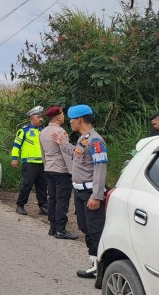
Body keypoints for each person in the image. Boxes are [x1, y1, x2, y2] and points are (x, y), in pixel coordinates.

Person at [52, 104, 108, 279]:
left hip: (91, 193)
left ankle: (103, 269)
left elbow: (100, 168)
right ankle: (94, 264)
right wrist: (64, 144)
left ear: (79, 120)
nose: (70, 124)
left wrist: (97, 195)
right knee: (85, 228)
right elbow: (77, 155)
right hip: (80, 193)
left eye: (71, 121)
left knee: (95, 230)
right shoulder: (84, 139)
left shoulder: (96, 141)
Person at [39, 106, 77, 240]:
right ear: (58, 117)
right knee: (62, 200)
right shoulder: (60, 132)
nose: (64, 116)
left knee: (52, 198)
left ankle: (53, 227)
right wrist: (72, 171)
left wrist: (46, 165)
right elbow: (66, 153)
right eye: (62, 114)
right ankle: (61, 230)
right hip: (61, 170)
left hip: (49, 168)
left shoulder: (43, 132)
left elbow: (42, 152)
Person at [11, 106, 48, 216]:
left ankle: (43, 206)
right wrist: (14, 159)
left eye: (41, 117)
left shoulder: (43, 131)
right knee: (26, 185)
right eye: (38, 117)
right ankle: (20, 206)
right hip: (29, 163)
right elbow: (16, 146)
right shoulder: (23, 131)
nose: (41, 119)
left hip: (42, 163)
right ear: (32, 118)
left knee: (42, 186)